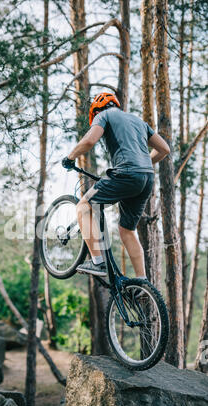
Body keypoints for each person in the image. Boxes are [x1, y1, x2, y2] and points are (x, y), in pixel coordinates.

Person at [62, 92, 170, 277]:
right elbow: (164, 149)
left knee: (83, 206)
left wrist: (70, 157)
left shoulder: (103, 116)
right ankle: (142, 283)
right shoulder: (139, 122)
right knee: (127, 230)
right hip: (147, 179)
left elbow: (89, 140)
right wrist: (143, 164)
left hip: (126, 173)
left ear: (95, 111)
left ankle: (98, 263)